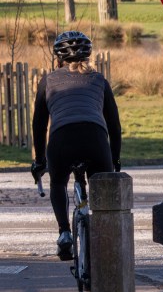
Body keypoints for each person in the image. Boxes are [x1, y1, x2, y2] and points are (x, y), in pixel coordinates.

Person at [31, 31, 122, 260]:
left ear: (58, 58)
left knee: (58, 182)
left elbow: (39, 124)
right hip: (95, 139)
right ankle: (104, 241)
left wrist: (40, 161)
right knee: (102, 188)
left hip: (62, 139)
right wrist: (115, 159)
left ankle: (64, 233)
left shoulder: (48, 80)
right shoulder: (99, 80)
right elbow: (114, 124)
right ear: (88, 56)